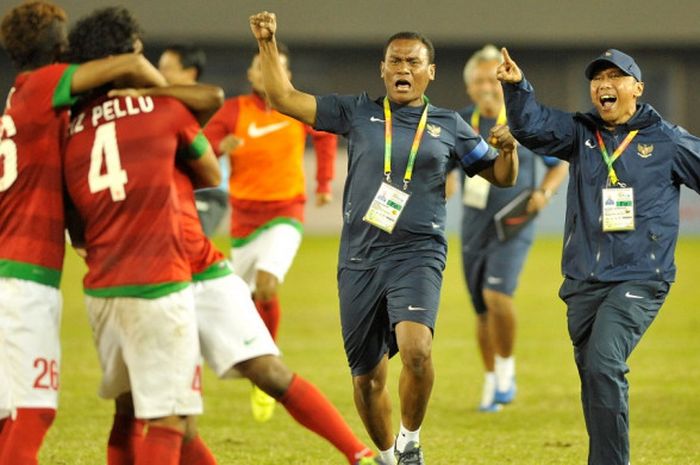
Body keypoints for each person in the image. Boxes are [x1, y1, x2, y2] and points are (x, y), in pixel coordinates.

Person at [249, 12, 519, 465]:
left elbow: (500, 176)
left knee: (416, 350)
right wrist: (268, 42)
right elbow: (282, 97)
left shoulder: (450, 125)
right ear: (383, 68)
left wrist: (508, 150)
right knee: (367, 380)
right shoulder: (357, 112)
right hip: (359, 258)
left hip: (418, 254)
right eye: (395, 61)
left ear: (430, 72)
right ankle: (387, 455)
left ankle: (410, 442)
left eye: (413, 62)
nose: (403, 70)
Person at [497, 47, 700, 465]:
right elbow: (531, 127)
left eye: (615, 77)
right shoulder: (580, 132)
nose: (604, 85)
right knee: (593, 375)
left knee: (605, 363)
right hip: (583, 281)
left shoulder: (667, 140)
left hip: (640, 276)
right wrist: (516, 88)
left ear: (637, 88)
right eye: (597, 78)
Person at [0, 2, 165, 463]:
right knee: (33, 413)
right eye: (65, 37)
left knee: (7, 415)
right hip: (24, 280)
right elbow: (131, 63)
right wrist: (175, 102)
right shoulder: (43, 85)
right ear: (57, 48)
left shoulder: (19, 100)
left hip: (8, 270)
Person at [63, 7, 221, 465]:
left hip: (101, 288)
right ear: (128, 57)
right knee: (170, 420)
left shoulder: (71, 126)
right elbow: (209, 172)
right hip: (157, 282)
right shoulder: (163, 107)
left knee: (128, 411)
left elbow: (74, 220)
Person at [203, 43, 337, 421]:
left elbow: (325, 135)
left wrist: (324, 182)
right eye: (260, 67)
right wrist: (218, 146)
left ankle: (270, 356)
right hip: (244, 221)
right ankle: (252, 365)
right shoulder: (233, 111)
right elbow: (200, 145)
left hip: (286, 212)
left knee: (267, 282)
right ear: (250, 75)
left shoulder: (294, 106)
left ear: (287, 76)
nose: (266, 72)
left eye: (275, 67)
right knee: (239, 299)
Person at [446, 45, 568, 412]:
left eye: (492, 78)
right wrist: (445, 182)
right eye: (479, 80)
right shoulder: (460, 124)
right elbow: (448, 170)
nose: (487, 85)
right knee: (481, 309)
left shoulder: (523, 121)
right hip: (474, 225)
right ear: (469, 87)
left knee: (498, 296)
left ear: (503, 83)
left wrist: (545, 192)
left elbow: (558, 161)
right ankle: (490, 382)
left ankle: (506, 369)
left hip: (514, 223)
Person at [158, 43, 230, 237]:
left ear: (190, 72)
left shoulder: (206, 104)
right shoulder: (165, 104)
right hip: (176, 188)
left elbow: (210, 147)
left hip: (206, 190)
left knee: (191, 246)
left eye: (167, 68)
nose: (160, 74)